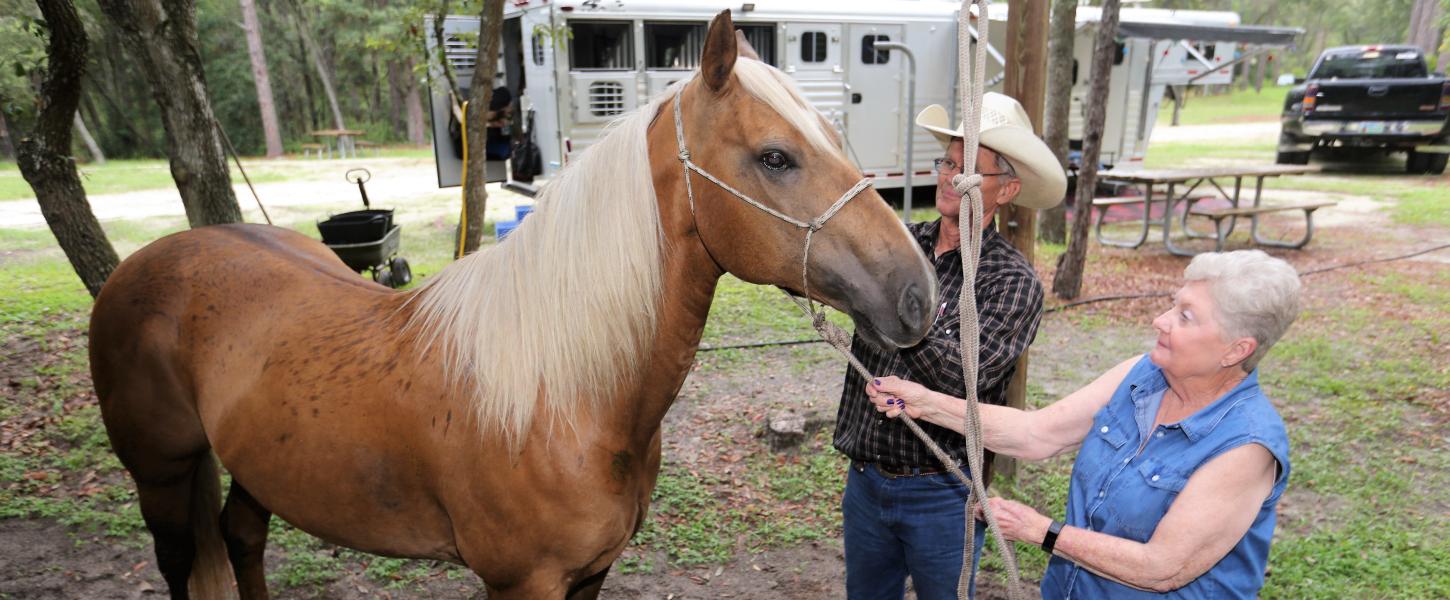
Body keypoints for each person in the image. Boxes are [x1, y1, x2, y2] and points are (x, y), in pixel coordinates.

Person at [869, 250, 1301, 598]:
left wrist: (1043, 531)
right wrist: (925, 403)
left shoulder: (1247, 448)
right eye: (1173, 304)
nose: (1161, 320)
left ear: (1235, 349)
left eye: (1186, 316)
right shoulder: (1142, 374)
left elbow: (1161, 569)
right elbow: (1036, 434)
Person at [834, 93, 1066, 599]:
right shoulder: (901, 245)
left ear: (1006, 191)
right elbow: (825, 275)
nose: (949, 176)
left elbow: (967, 377)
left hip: (943, 491)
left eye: (968, 170)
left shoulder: (1012, 281)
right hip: (866, 481)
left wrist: (896, 307)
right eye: (948, 162)